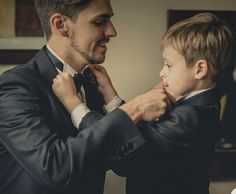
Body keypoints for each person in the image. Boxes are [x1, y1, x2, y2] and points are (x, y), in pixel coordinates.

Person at [52, 12, 236, 194]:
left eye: (169, 65)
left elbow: (124, 155)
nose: (161, 72)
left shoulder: (189, 116)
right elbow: (140, 135)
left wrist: (74, 104)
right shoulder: (196, 105)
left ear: (200, 69)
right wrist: (110, 95)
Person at [0, 0, 170, 194]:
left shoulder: (93, 83)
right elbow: (54, 168)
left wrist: (114, 102)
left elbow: (126, 164)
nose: (112, 31)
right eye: (100, 21)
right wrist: (134, 109)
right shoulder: (14, 87)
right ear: (60, 25)